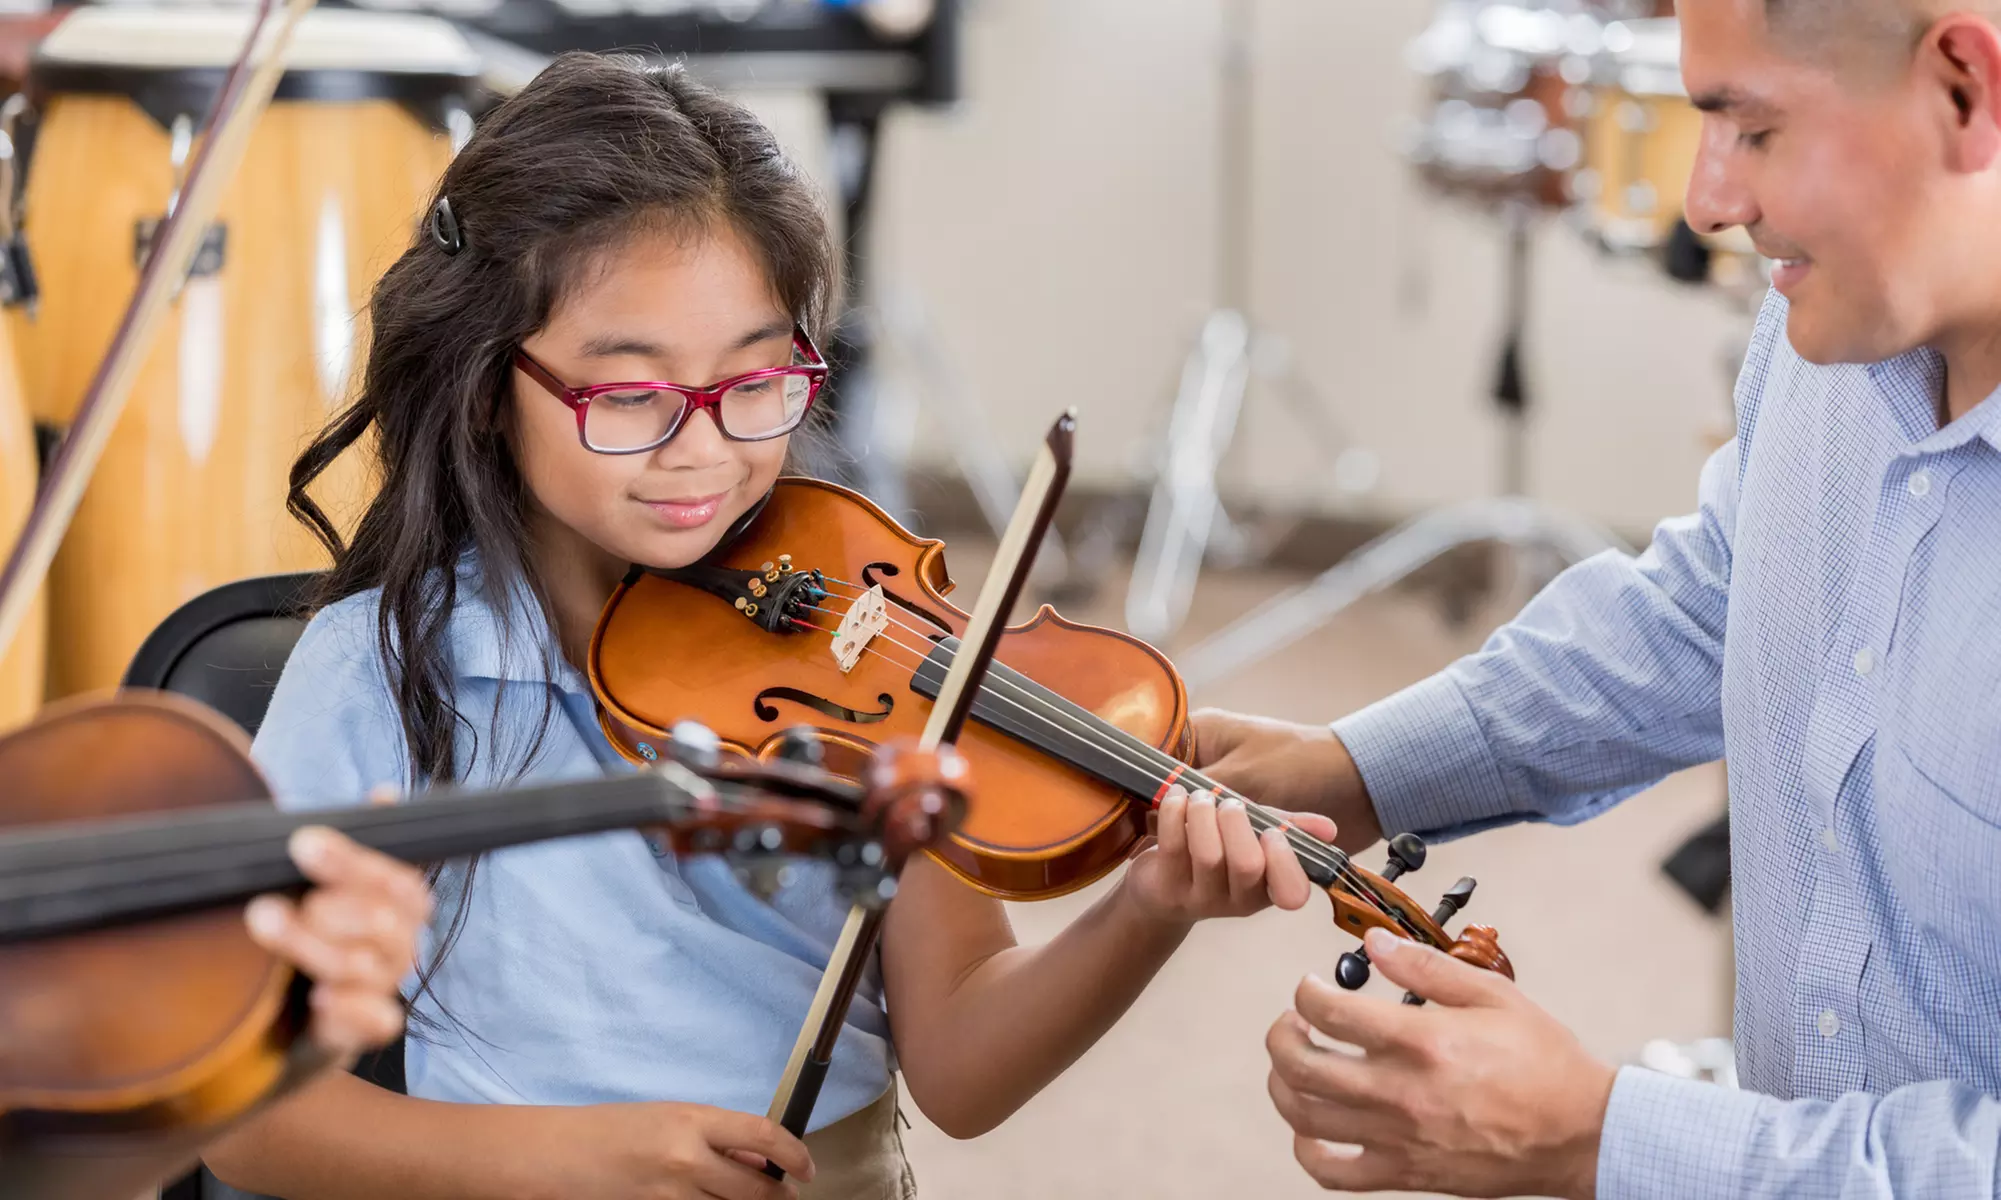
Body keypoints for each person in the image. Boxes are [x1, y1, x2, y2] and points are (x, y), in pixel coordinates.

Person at [201, 52, 1334, 1200]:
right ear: (490, 385)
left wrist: (1148, 907)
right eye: (632, 396)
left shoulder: (865, 650)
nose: (704, 450)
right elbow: (246, 1119)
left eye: (756, 383)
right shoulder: (381, 672)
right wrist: (571, 1160)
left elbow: (963, 1065)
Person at [1197, 0, 2001, 1195]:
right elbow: (1719, 601)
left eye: (1753, 130)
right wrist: (1359, 772)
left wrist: (1599, 1139)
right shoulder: (1835, 324)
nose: (1705, 203)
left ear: (1963, 90)